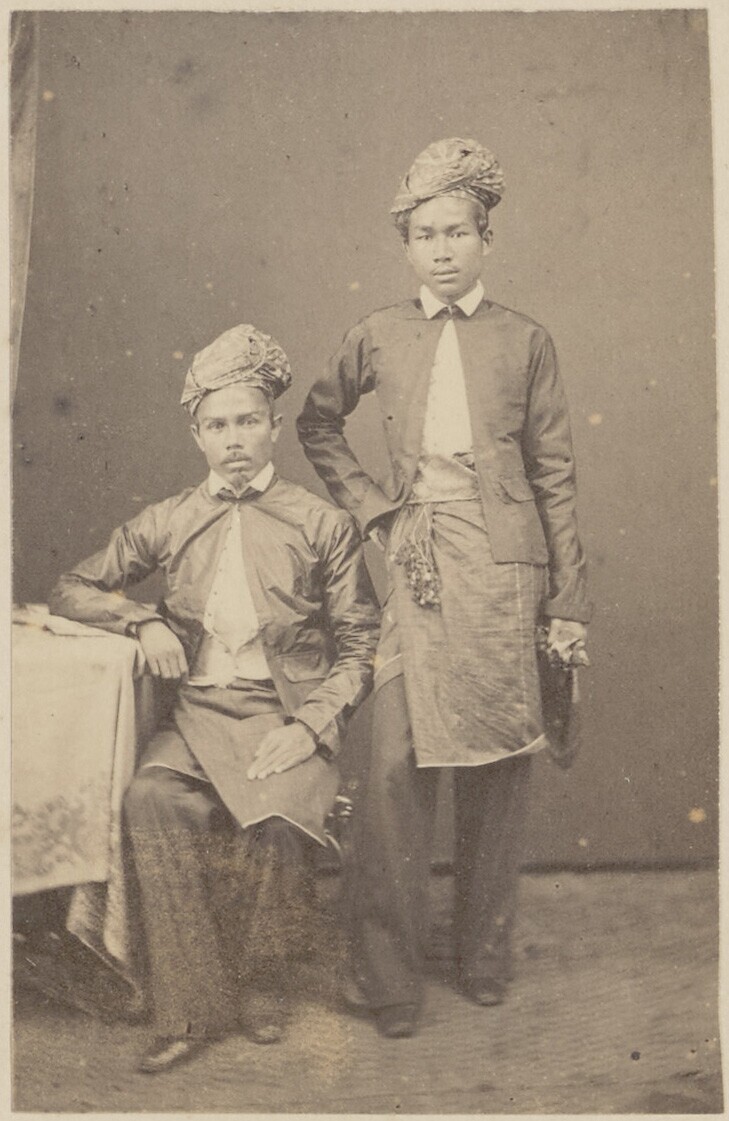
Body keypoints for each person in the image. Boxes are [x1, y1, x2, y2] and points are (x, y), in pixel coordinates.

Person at [297, 137, 591, 1039]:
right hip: (418, 556)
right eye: (424, 234)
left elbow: (554, 477)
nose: (442, 249)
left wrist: (568, 603)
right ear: (405, 245)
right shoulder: (377, 332)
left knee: (498, 765)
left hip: (506, 568)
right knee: (393, 766)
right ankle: (385, 977)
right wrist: (375, 512)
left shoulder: (525, 340)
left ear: (485, 238)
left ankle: (482, 954)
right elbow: (317, 423)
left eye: (457, 232)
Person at [49, 324, 380, 1072]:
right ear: (197, 434)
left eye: (248, 421)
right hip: (197, 715)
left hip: (284, 713)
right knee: (151, 798)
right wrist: (139, 618)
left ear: (273, 426)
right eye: (218, 424)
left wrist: (310, 727)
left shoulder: (322, 523)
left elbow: (362, 646)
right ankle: (194, 1005)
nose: (234, 440)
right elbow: (72, 587)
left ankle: (257, 982)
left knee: (275, 818)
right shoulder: (169, 518)